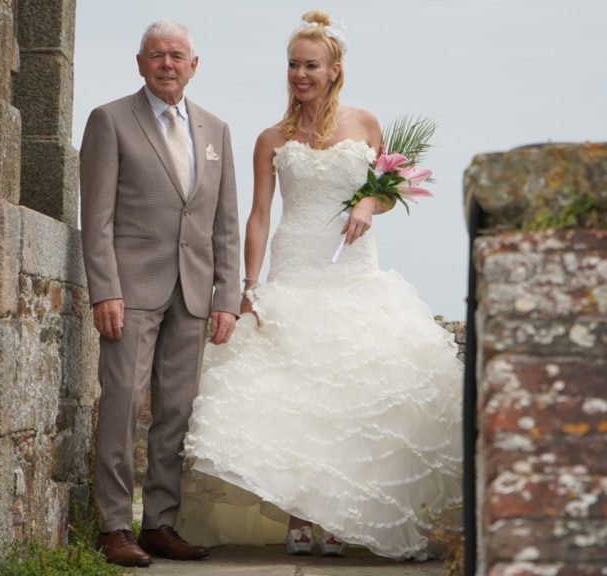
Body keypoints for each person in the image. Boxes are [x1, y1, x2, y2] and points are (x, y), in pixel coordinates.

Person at [179, 10, 463, 561]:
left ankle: (342, 517)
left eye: (311, 65)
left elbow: (388, 188)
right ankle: (302, 517)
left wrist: (368, 203)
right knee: (299, 395)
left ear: (335, 70)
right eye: (292, 65)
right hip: (296, 267)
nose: (299, 74)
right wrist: (250, 285)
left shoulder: (366, 125)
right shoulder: (271, 138)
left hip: (354, 273)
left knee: (353, 393)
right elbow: (258, 216)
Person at [79, 18, 240, 568]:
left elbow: (225, 223)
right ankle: (115, 526)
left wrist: (226, 296)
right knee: (123, 405)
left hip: (194, 293)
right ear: (140, 62)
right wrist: (105, 288)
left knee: (176, 412)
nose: (167, 64)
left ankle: (161, 524)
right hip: (130, 290)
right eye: (156, 55)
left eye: (177, 56)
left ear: (194, 65)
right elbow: (95, 216)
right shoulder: (110, 120)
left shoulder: (217, 131)